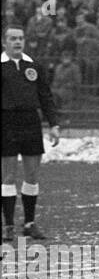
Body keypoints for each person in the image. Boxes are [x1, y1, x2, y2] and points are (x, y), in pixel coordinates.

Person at [1, 25, 60, 242]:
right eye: (13, 38)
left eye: (21, 38)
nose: (18, 42)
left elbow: (45, 96)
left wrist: (53, 124)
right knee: (7, 175)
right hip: (6, 122)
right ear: (4, 42)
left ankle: (29, 223)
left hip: (30, 122)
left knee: (32, 175)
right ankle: (8, 225)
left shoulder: (33, 65)